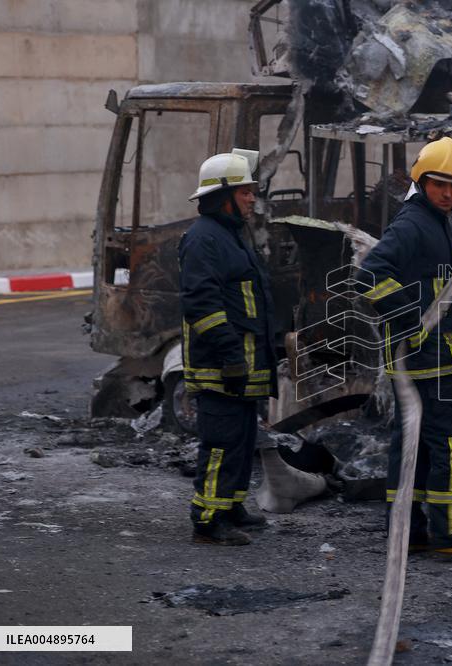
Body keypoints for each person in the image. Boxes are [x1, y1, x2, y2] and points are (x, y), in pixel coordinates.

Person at [359, 137, 452, 558]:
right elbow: (369, 277)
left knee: (413, 448)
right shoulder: (412, 225)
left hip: (429, 360)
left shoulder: (437, 221)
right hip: (432, 359)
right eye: (440, 184)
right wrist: (412, 322)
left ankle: (408, 530)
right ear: (422, 181)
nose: (448, 193)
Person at [179, 148, 278, 546]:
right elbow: (202, 305)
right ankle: (207, 521)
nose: (253, 198)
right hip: (220, 367)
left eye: (252, 192)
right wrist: (231, 357)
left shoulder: (230, 235)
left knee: (240, 440)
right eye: (245, 193)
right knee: (220, 443)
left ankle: (231, 506)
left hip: (241, 366)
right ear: (223, 196)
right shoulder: (203, 239)